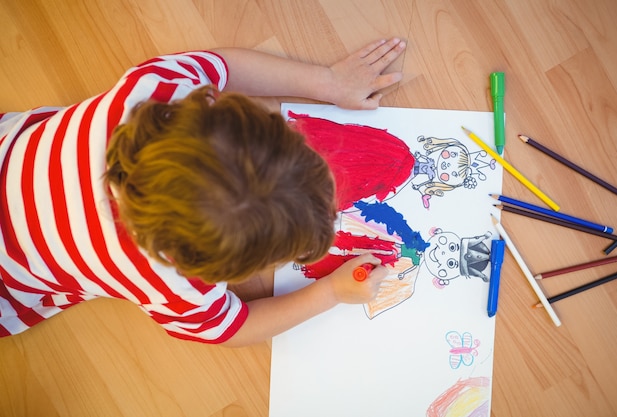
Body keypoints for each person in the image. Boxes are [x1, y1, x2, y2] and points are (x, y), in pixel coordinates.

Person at [0, 38, 406, 347]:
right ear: (211, 272)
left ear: (214, 105)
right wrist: (330, 292)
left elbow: (224, 65)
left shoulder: (153, 88)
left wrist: (328, 82)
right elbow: (232, 328)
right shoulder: (167, 282)